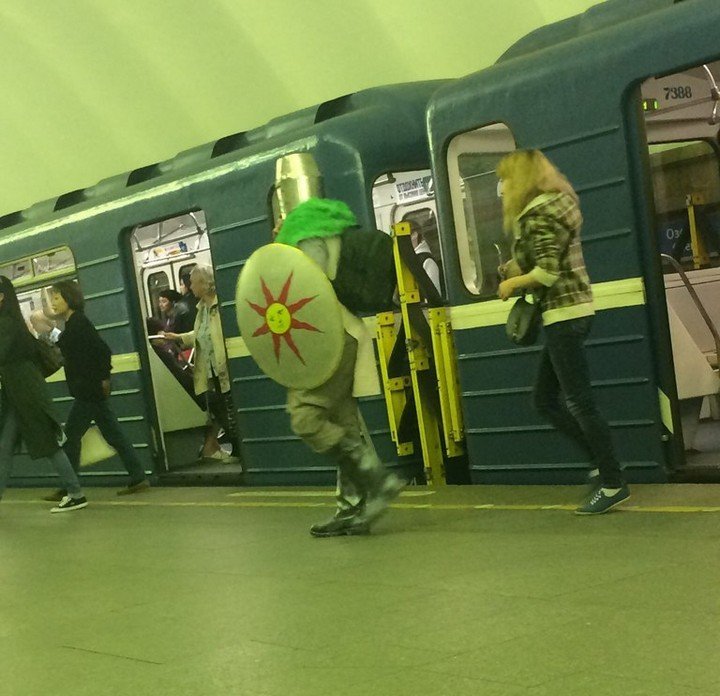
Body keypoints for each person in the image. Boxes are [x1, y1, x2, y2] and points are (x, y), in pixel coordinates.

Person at [496, 149, 629, 515]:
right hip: (572, 311)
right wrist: (517, 264)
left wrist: (511, 284)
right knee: (544, 399)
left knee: (580, 403)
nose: (502, 186)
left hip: (564, 314)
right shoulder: (555, 207)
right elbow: (549, 256)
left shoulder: (539, 213)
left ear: (519, 180)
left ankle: (613, 482)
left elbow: (548, 273)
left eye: (504, 179)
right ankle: (599, 464)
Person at [274, 198, 404, 537]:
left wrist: (284, 250)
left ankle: (377, 478)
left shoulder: (305, 241)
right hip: (345, 333)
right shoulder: (331, 236)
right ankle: (351, 507)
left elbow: (308, 288)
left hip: (330, 337)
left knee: (305, 417)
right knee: (344, 424)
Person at [43, 280, 151, 500]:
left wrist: (104, 378)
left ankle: (70, 486)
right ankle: (138, 476)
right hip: (89, 389)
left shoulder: (78, 323)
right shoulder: (74, 323)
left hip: (88, 390)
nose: (53, 302)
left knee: (71, 437)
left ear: (69, 298)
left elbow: (102, 351)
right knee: (113, 434)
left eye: (57, 297)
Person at [0, 276, 87, 512]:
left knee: (48, 442)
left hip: (26, 392)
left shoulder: (6, 324)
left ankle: (76, 493)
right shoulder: (10, 321)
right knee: (4, 446)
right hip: (16, 393)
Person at [163, 265, 240, 463]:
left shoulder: (218, 306)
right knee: (224, 409)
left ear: (204, 284)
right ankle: (238, 449)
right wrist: (177, 337)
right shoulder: (202, 308)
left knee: (231, 409)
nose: (190, 287)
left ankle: (240, 450)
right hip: (211, 368)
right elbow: (199, 334)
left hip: (223, 366)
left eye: (193, 283)